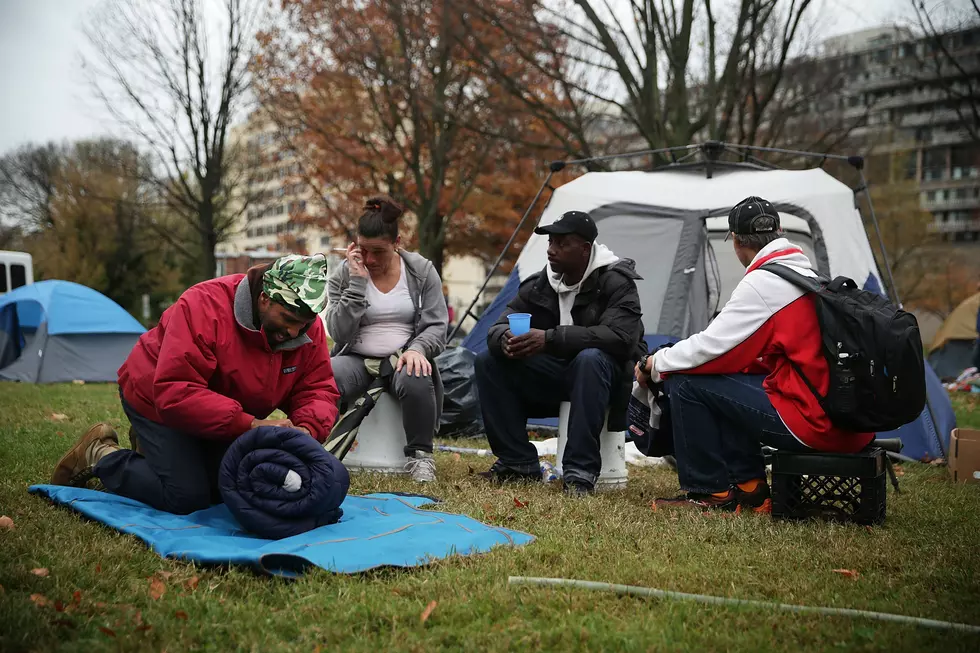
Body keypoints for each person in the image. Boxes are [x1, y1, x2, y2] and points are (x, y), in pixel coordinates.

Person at [50, 255, 341, 514]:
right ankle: (100, 452)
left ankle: (155, 454)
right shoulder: (203, 306)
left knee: (231, 485)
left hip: (223, 414)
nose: (294, 331)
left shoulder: (305, 324)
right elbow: (175, 390)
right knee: (186, 497)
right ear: (265, 298)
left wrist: (305, 430)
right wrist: (251, 425)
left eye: (302, 325)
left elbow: (317, 388)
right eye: (288, 319)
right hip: (156, 399)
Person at [637, 196, 874, 512]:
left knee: (686, 382)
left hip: (814, 425)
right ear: (777, 231)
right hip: (845, 423)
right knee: (721, 381)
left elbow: (709, 348)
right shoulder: (804, 273)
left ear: (736, 241)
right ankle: (751, 488)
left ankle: (710, 493)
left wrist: (654, 364)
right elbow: (735, 354)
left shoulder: (765, 283)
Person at [474, 210, 645, 495]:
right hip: (557, 378)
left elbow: (621, 339)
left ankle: (580, 473)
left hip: (608, 381)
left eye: (561, 244)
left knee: (589, 359)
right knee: (489, 360)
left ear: (585, 249)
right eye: (550, 243)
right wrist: (504, 339)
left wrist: (550, 339)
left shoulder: (617, 282)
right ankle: (517, 463)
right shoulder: (540, 285)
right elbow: (499, 324)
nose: (551, 251)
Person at [325, 196, 448, 482]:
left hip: (402, 356)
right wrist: (357, 284)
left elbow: (437, 326)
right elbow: (338, 332)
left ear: (397, 243)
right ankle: (318, 449)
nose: (369, 260)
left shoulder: (421, 271)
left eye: (377, 252)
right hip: (356, 357)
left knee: (417, 374)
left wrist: (418, 348)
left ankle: (420, 457)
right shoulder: (344, 275)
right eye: (362, 250)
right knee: (326, 375)